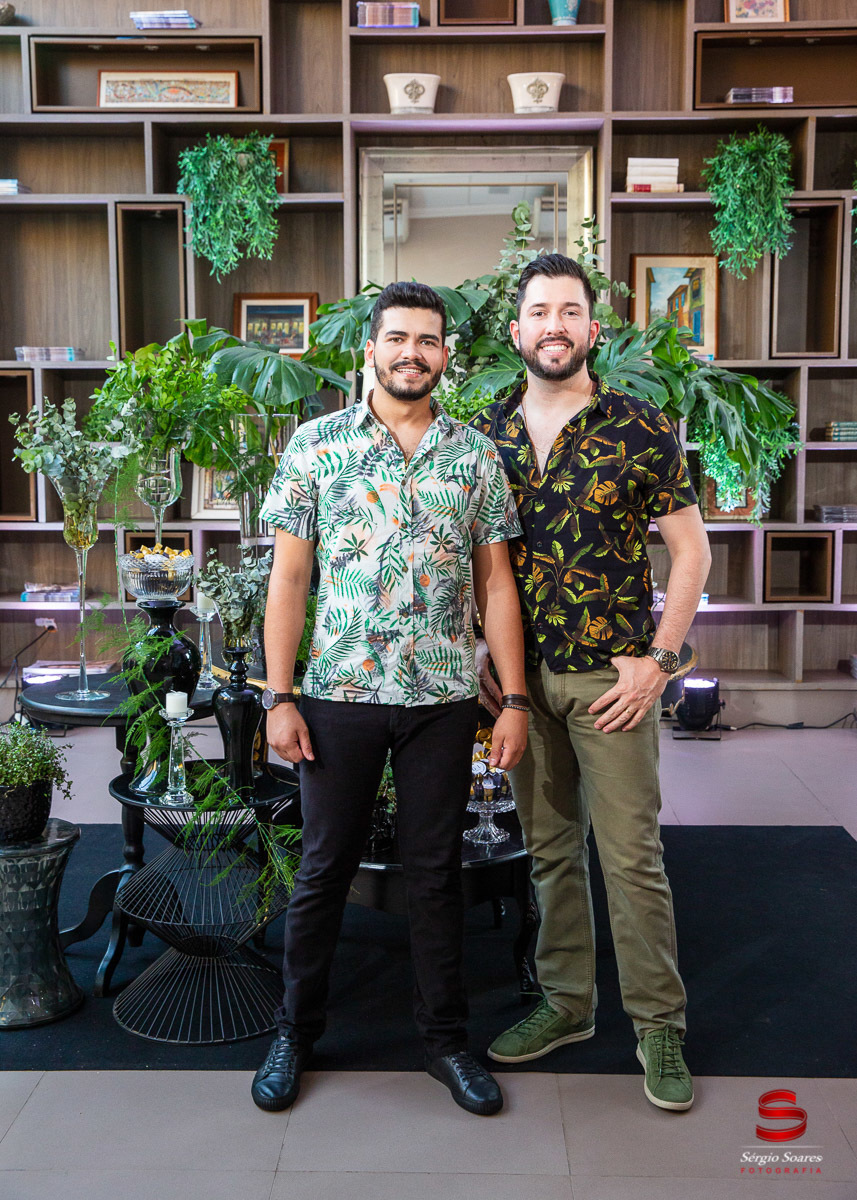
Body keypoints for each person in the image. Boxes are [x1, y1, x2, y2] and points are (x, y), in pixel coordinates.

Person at [251, 281, 529, 1117]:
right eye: (399, 338)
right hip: (337, 691)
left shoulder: (472, 456)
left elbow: (497, 586)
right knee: (323, 868)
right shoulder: (316, 445)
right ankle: (295, 1032)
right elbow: (288, 579)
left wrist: (514, 698)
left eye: (428, 340)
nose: (414, 352)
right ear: (369, 349)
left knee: (435, 874)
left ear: (445, 354)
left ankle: (445, 1041)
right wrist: (278, 695)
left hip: (442, 696)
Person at [471, 253, 711, 1112]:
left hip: (612, 682)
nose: (554, 326)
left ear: (591, 329)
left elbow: (691, 552)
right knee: (548, 852)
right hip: (520, 687)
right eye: (539, 312)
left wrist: (660, 659)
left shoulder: (639, 425)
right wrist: (485, 660)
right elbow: (475, 562)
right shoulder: (483, 434)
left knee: (631, 859)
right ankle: (567, 1004)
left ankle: (658, 1026)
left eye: (569, 311)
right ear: (516, 331)